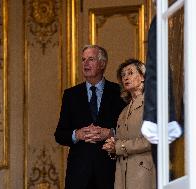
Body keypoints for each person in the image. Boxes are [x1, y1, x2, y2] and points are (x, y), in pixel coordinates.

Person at [54, 45, 125, 189]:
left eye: (90, 59)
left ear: (102, 64)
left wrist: (110, 133)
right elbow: (60, 134)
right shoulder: (70, 95)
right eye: (83, 60)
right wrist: (77, 134)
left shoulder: (119, 92)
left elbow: (130, 131)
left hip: (109, 171)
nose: (85, 63)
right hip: (79, 174)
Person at [140, 0, 182, 169]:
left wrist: (152, 117)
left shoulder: (166, 19)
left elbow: (156, 70)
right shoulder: (165, 19)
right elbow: (157, 70)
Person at [102, 59, 156, 189]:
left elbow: (150, 140)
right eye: (123, 75)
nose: (125, 77)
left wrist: (119, 146)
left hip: (142, 173)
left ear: (142, 77)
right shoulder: (123, 112)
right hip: (122, 174)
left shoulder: (152, 106)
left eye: (130, 73)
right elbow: (120, 141)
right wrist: (112, 146)